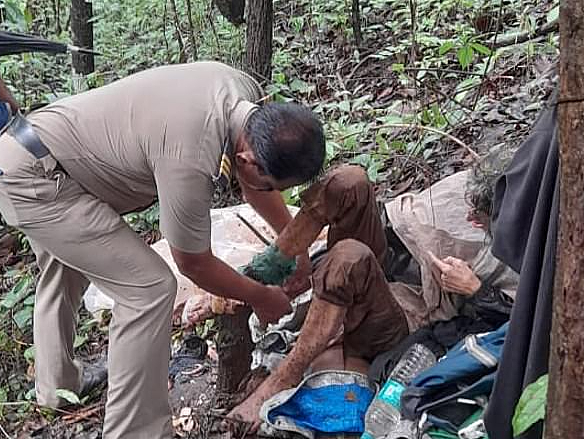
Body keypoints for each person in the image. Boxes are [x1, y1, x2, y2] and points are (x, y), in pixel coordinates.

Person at [0, 61, 325, 438]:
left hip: (35, 154)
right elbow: (192, 262)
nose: (271, 193)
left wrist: (296, 245)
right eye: (272, 185)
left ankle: (56, 386)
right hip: (36, 181)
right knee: (148, 290)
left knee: (63, 266)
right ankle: (136, 432)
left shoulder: (242, 96)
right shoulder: (190, 153)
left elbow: (255, 183)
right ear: (246, 159)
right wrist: (260, 297)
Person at [224, 161, 517, 431]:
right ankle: (268, 271)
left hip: (414, 315)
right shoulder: (484, 184)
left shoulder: (529, 248)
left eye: (477, 216)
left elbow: (514, 328)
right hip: (394, 264)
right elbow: (403, 217)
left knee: (349, 258)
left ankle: (283, 377)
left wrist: (475, 289)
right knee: (348, 181)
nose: (467, 217)